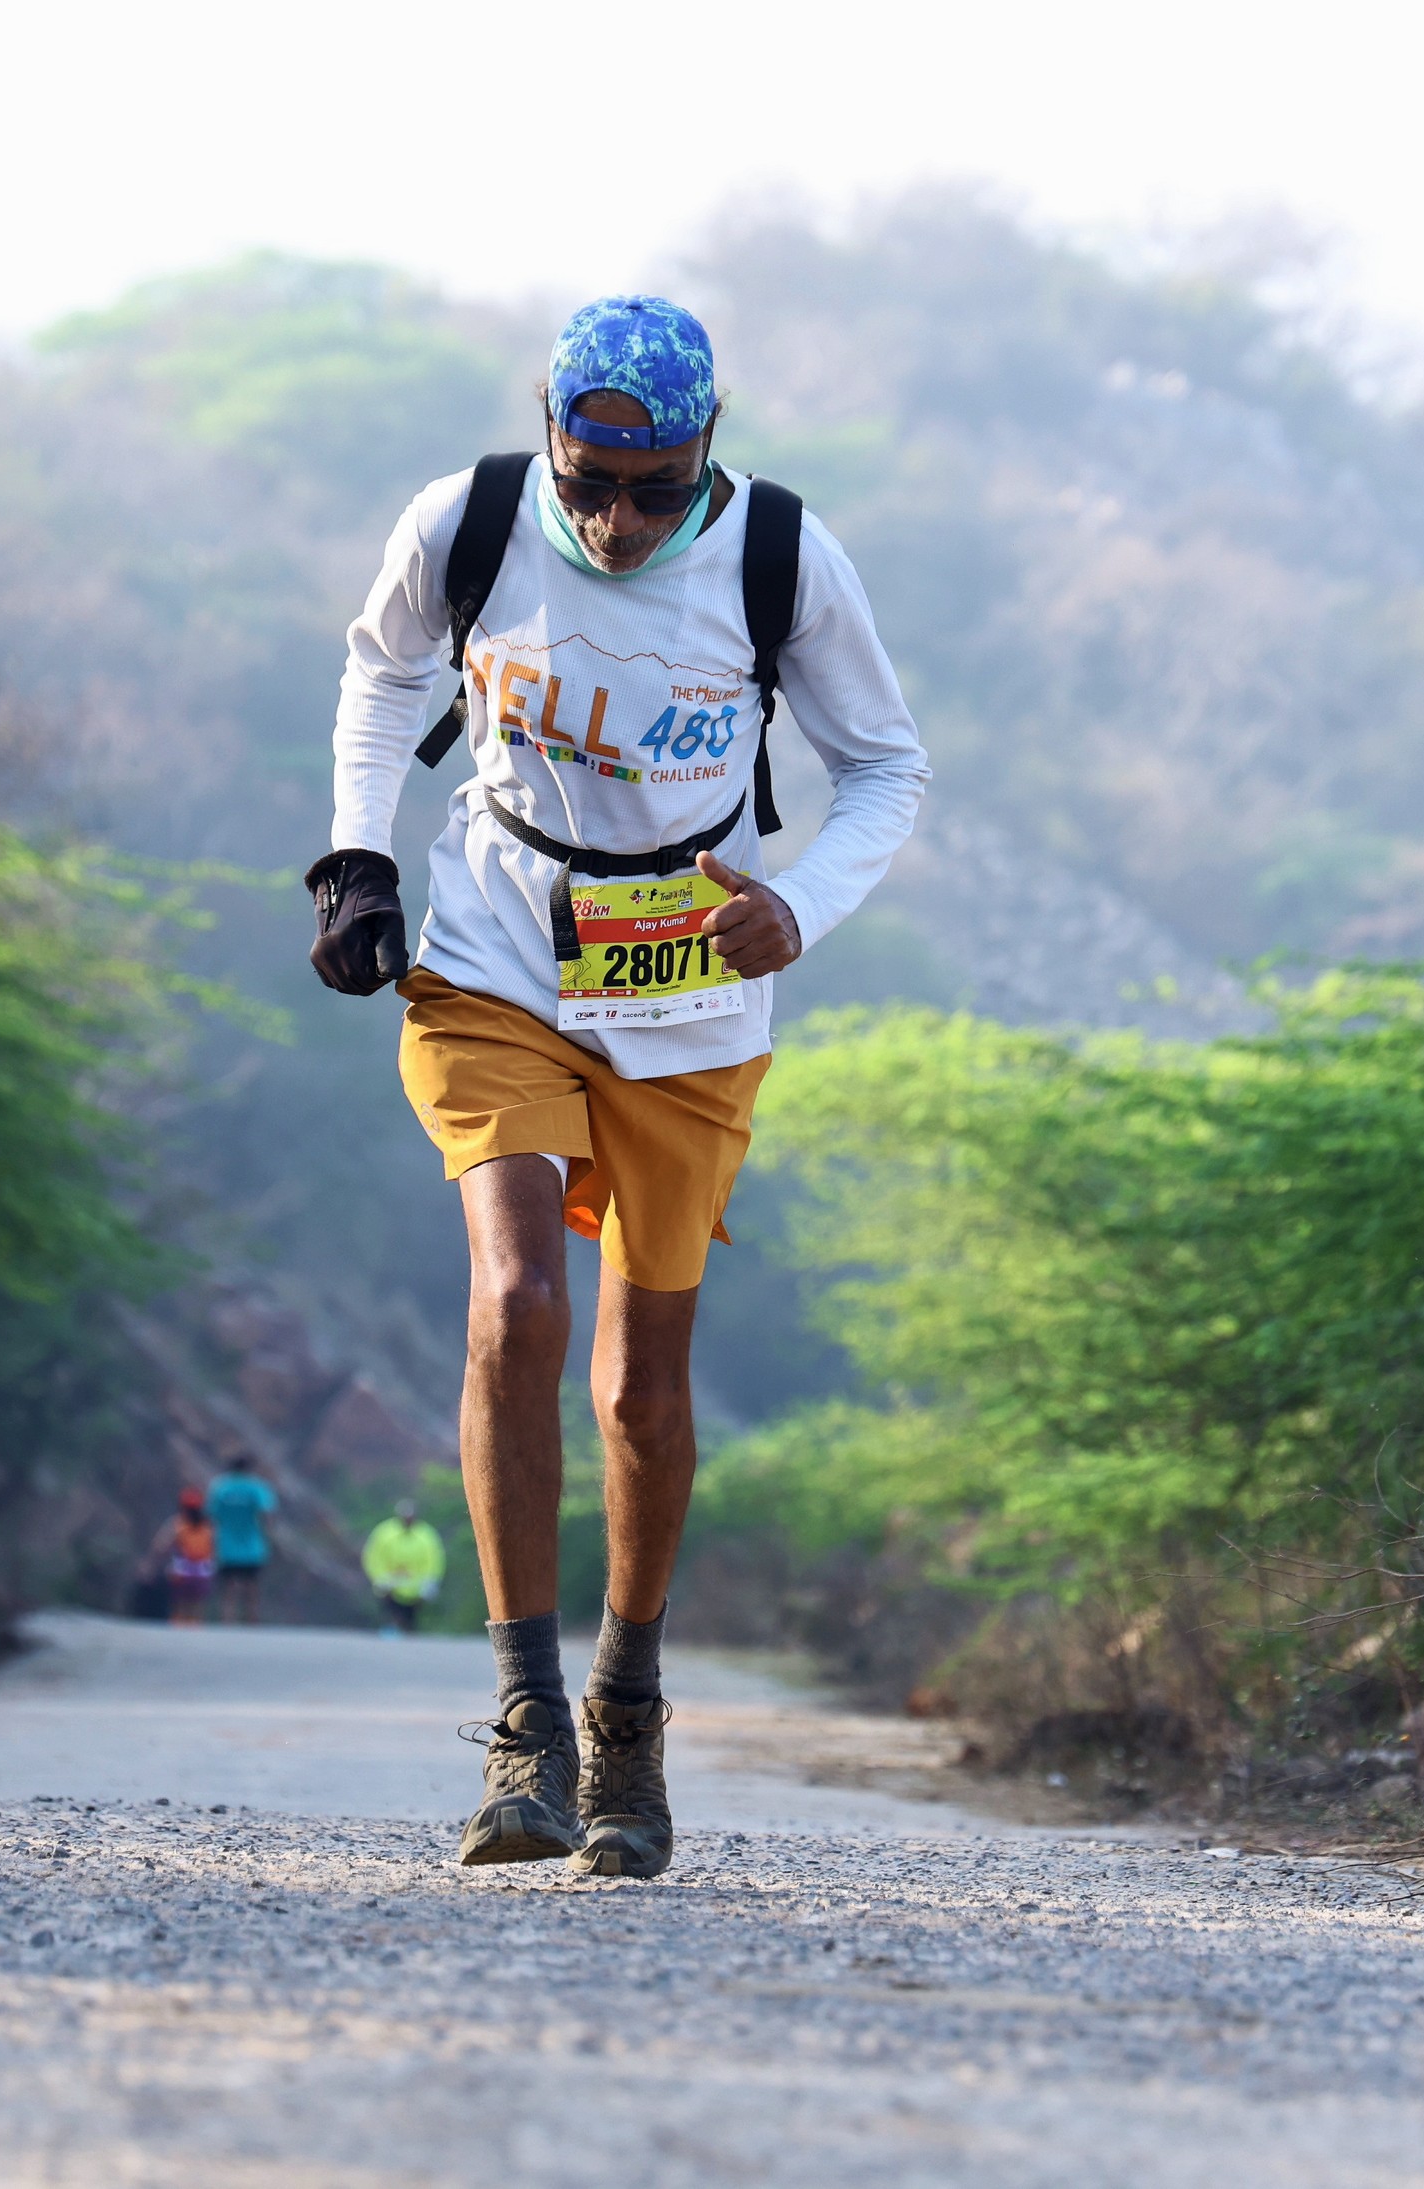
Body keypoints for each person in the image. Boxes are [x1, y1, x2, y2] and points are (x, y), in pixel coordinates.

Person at [306, 296, 927, 1877]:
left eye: (655, 493)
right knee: (516, 1301)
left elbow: (885, 766)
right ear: (549, 438)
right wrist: (359, 856)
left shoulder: (782, 557)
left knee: (641, 1387)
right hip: (496, 948)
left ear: (707, 451)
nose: (618, 524)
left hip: (690, 982)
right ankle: (525, 1724)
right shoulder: (469, 522)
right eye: (590, 485)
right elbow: (382, 673)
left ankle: (625, 1712)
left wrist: (800, 904)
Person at [204, 1452, 278, 1625]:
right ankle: (252, 1621)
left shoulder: (220, 1487)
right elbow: (267, 1513)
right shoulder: (257, 1487)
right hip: (252, 1547)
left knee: (228, 1587)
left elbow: (211, 1515)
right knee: (251, 1587)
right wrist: (268, 1532)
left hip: (226, 1546)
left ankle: (227, 1621)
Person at [361, 1499, 446, 1636]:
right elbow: (373, 1556)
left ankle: (408, 1632)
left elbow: (434, 1560)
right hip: (391, 1582)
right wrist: (379, 1577)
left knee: (410, 1616)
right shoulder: (384, 1532)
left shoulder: (426, 1535)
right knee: (391, 1609)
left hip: (415, 1586)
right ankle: (391, 1628)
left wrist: (430, 1581)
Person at [143, 1489, 216, 1628]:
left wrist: (152, 1565)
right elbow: (214, 1547)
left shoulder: (177, 1524)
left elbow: (161, 1546)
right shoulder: (208, 1526)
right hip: (202, 1574)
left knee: (179, 1607)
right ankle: (195, 1629)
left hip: (182, 1573)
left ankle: (179, 1632)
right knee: (196, 1608)